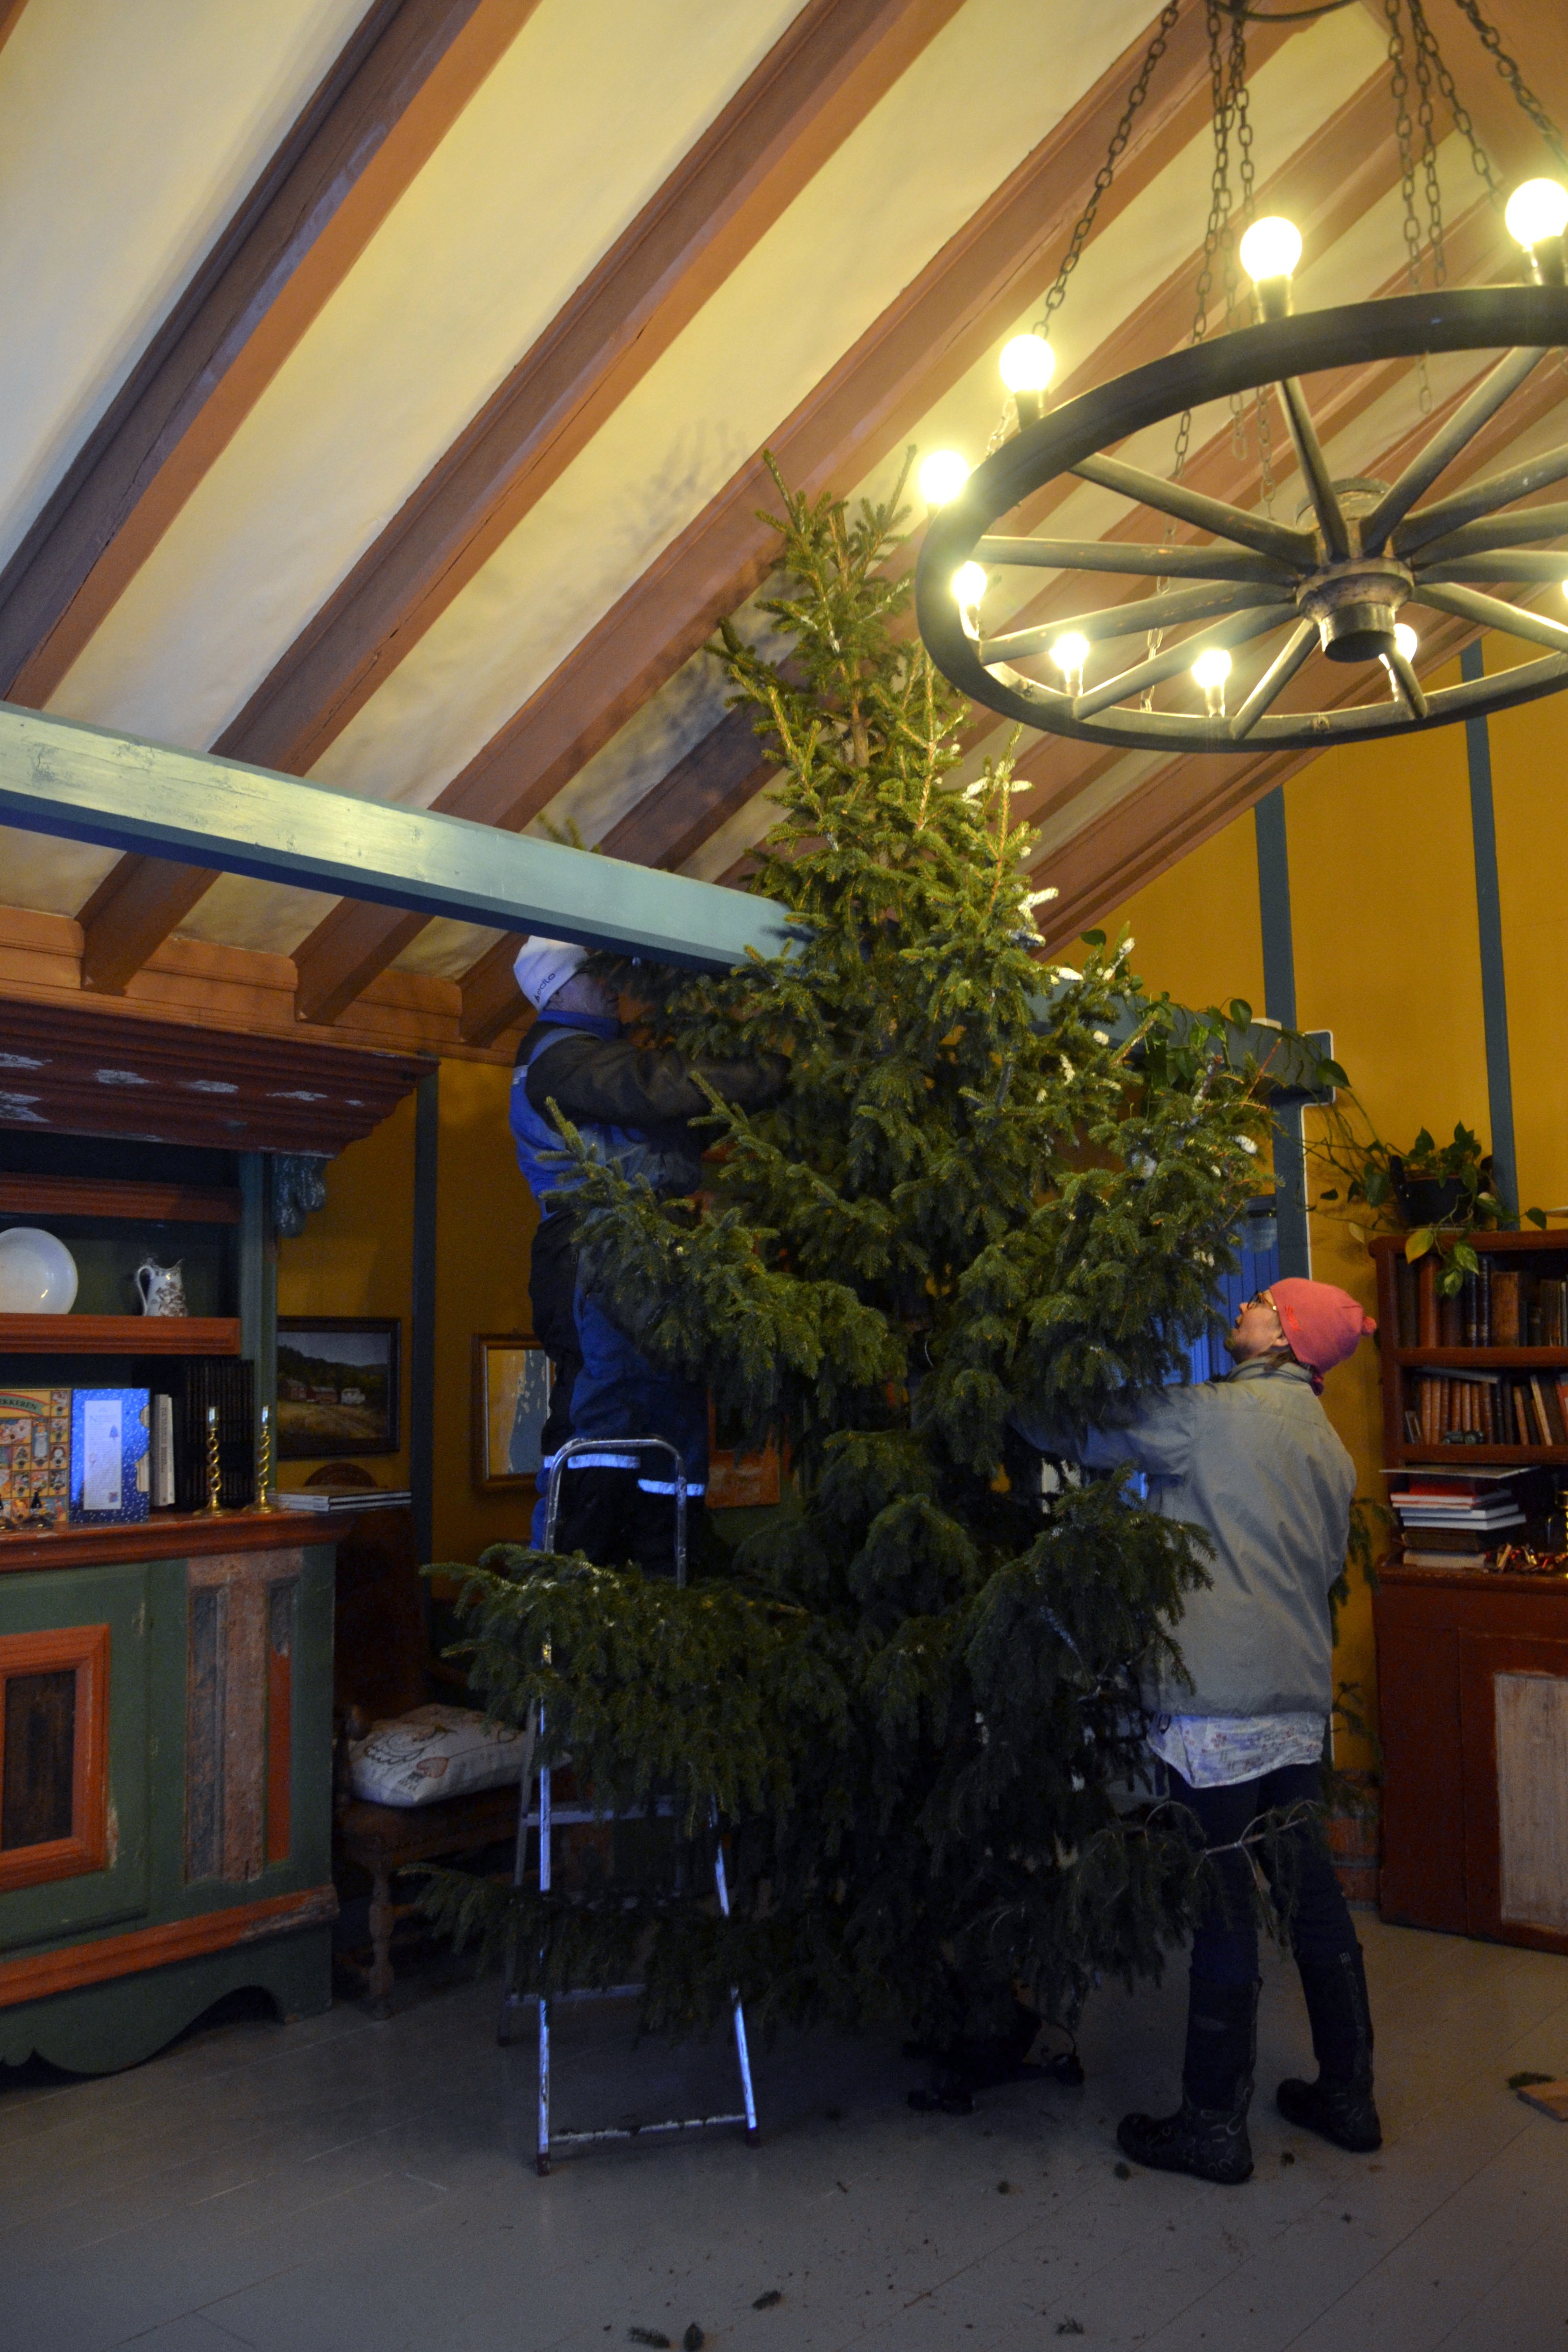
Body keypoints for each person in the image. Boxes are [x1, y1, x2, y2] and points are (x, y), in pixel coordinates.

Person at [1016, 1276, 1379, 2186]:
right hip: (1294, 1703)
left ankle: (1213, 2126)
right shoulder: (1330, 1447)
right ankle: (1349, 2097)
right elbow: (1324, 1565)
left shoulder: (1208, 1416)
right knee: (1309, 1891)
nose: (1238, 1312)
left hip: (1215, 1700)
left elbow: (1083, 1428)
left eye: (1257, 1304)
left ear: (1285, 1336)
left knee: (1220, 1897)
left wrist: (998, 1390)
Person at [509, 937, 787, 1576]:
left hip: (649, 1246)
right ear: (557, 988)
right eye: (596, 973)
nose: (615, 986)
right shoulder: (558, 1058)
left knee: (669, 1413)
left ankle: (669, 1579)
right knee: (601, 1410)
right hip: (591, 1248)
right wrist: (772, 1073)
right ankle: (572, 1592)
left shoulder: (597, 1056)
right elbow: (651, 1089)